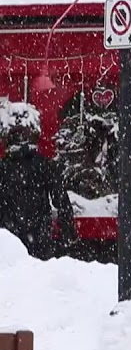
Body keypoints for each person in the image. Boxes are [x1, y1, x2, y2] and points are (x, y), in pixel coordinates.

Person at [0, 103, 76, 259]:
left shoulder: (3, 168)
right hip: (39, 238)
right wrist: (67, 232)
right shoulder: (45, 165)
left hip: (8, 241)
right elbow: (60, 200)